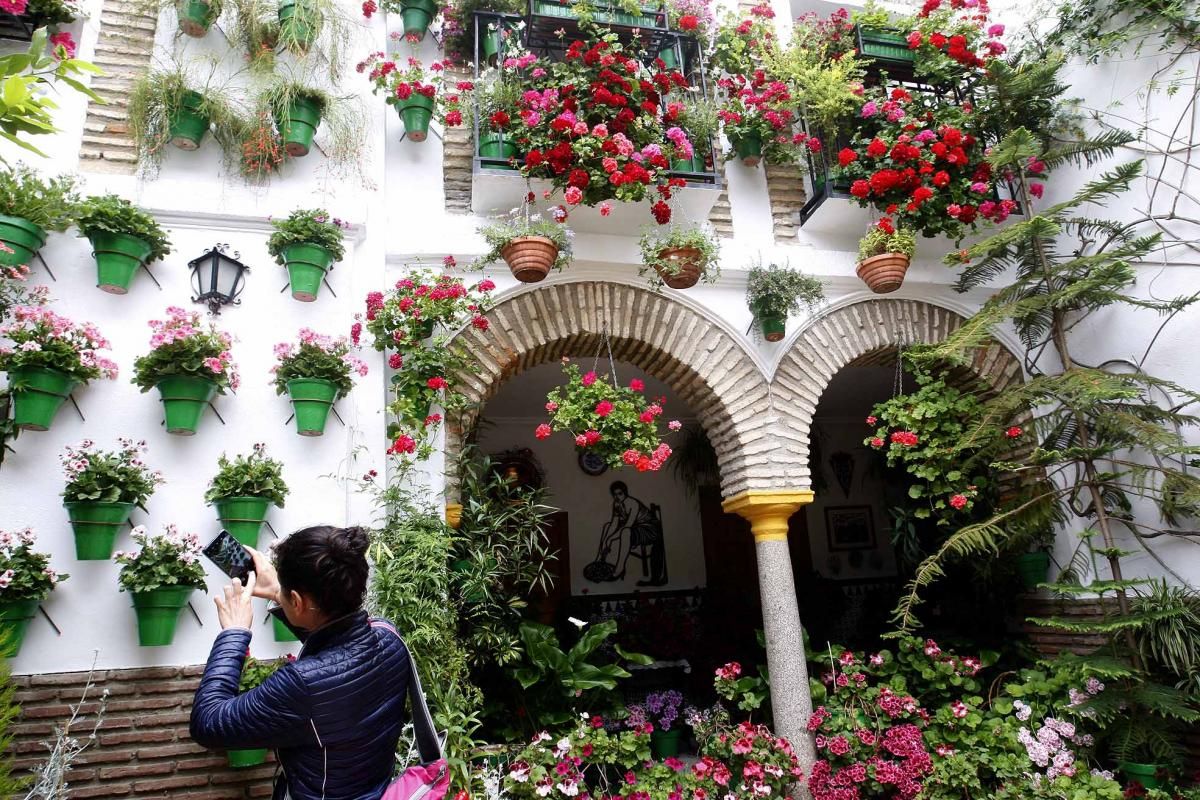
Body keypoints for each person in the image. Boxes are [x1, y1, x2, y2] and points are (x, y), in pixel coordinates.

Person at [190, 525, 411, 800]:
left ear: (297, 600)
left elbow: (208, 723)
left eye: (284, 591)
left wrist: (233, 634)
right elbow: (337, 648)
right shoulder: (388, 637)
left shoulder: (301, 685)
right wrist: (277, 593)